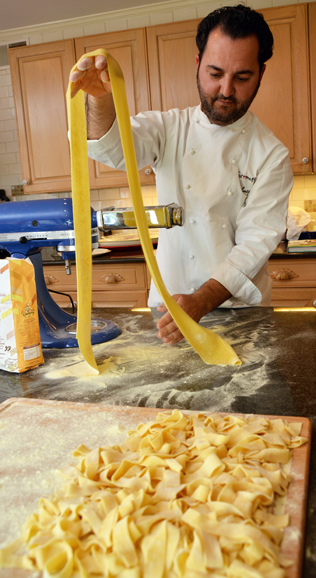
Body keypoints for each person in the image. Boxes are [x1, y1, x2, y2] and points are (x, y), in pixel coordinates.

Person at [69, 5, 293, 346]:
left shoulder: (271, 154)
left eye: (242, 77)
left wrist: (202, 300)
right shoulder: (169, 129)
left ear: (261, 72)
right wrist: (100, 99)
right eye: (215, 73)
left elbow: (253, 246)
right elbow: (113, 148)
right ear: (198, 62)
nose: (226, 90)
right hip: (168, 310)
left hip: (241, 318)